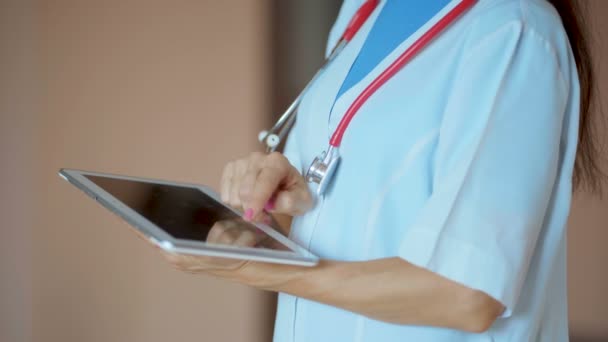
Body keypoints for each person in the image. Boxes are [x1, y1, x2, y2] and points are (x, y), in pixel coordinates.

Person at [158, 0, 604, 340]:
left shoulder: (514, 28)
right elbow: (339, 215)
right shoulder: (362, 13)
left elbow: (467, 294)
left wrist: (252, 271)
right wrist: (269, 216)